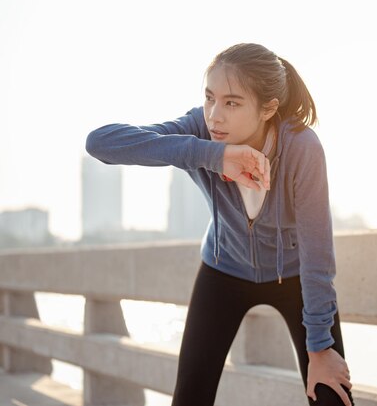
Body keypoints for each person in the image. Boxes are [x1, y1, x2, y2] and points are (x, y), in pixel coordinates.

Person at [85, 43, 355, 406]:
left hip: (295, 279)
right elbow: (100, 143)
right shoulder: (200, 130)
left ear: (268, 108)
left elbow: (317, 253)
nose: (215, 116)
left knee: (331, 395)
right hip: (223, 272)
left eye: (232, 102)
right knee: (190, 397)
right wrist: (213, 155)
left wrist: (320, 346)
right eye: (210, 98)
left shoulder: (301, 147)